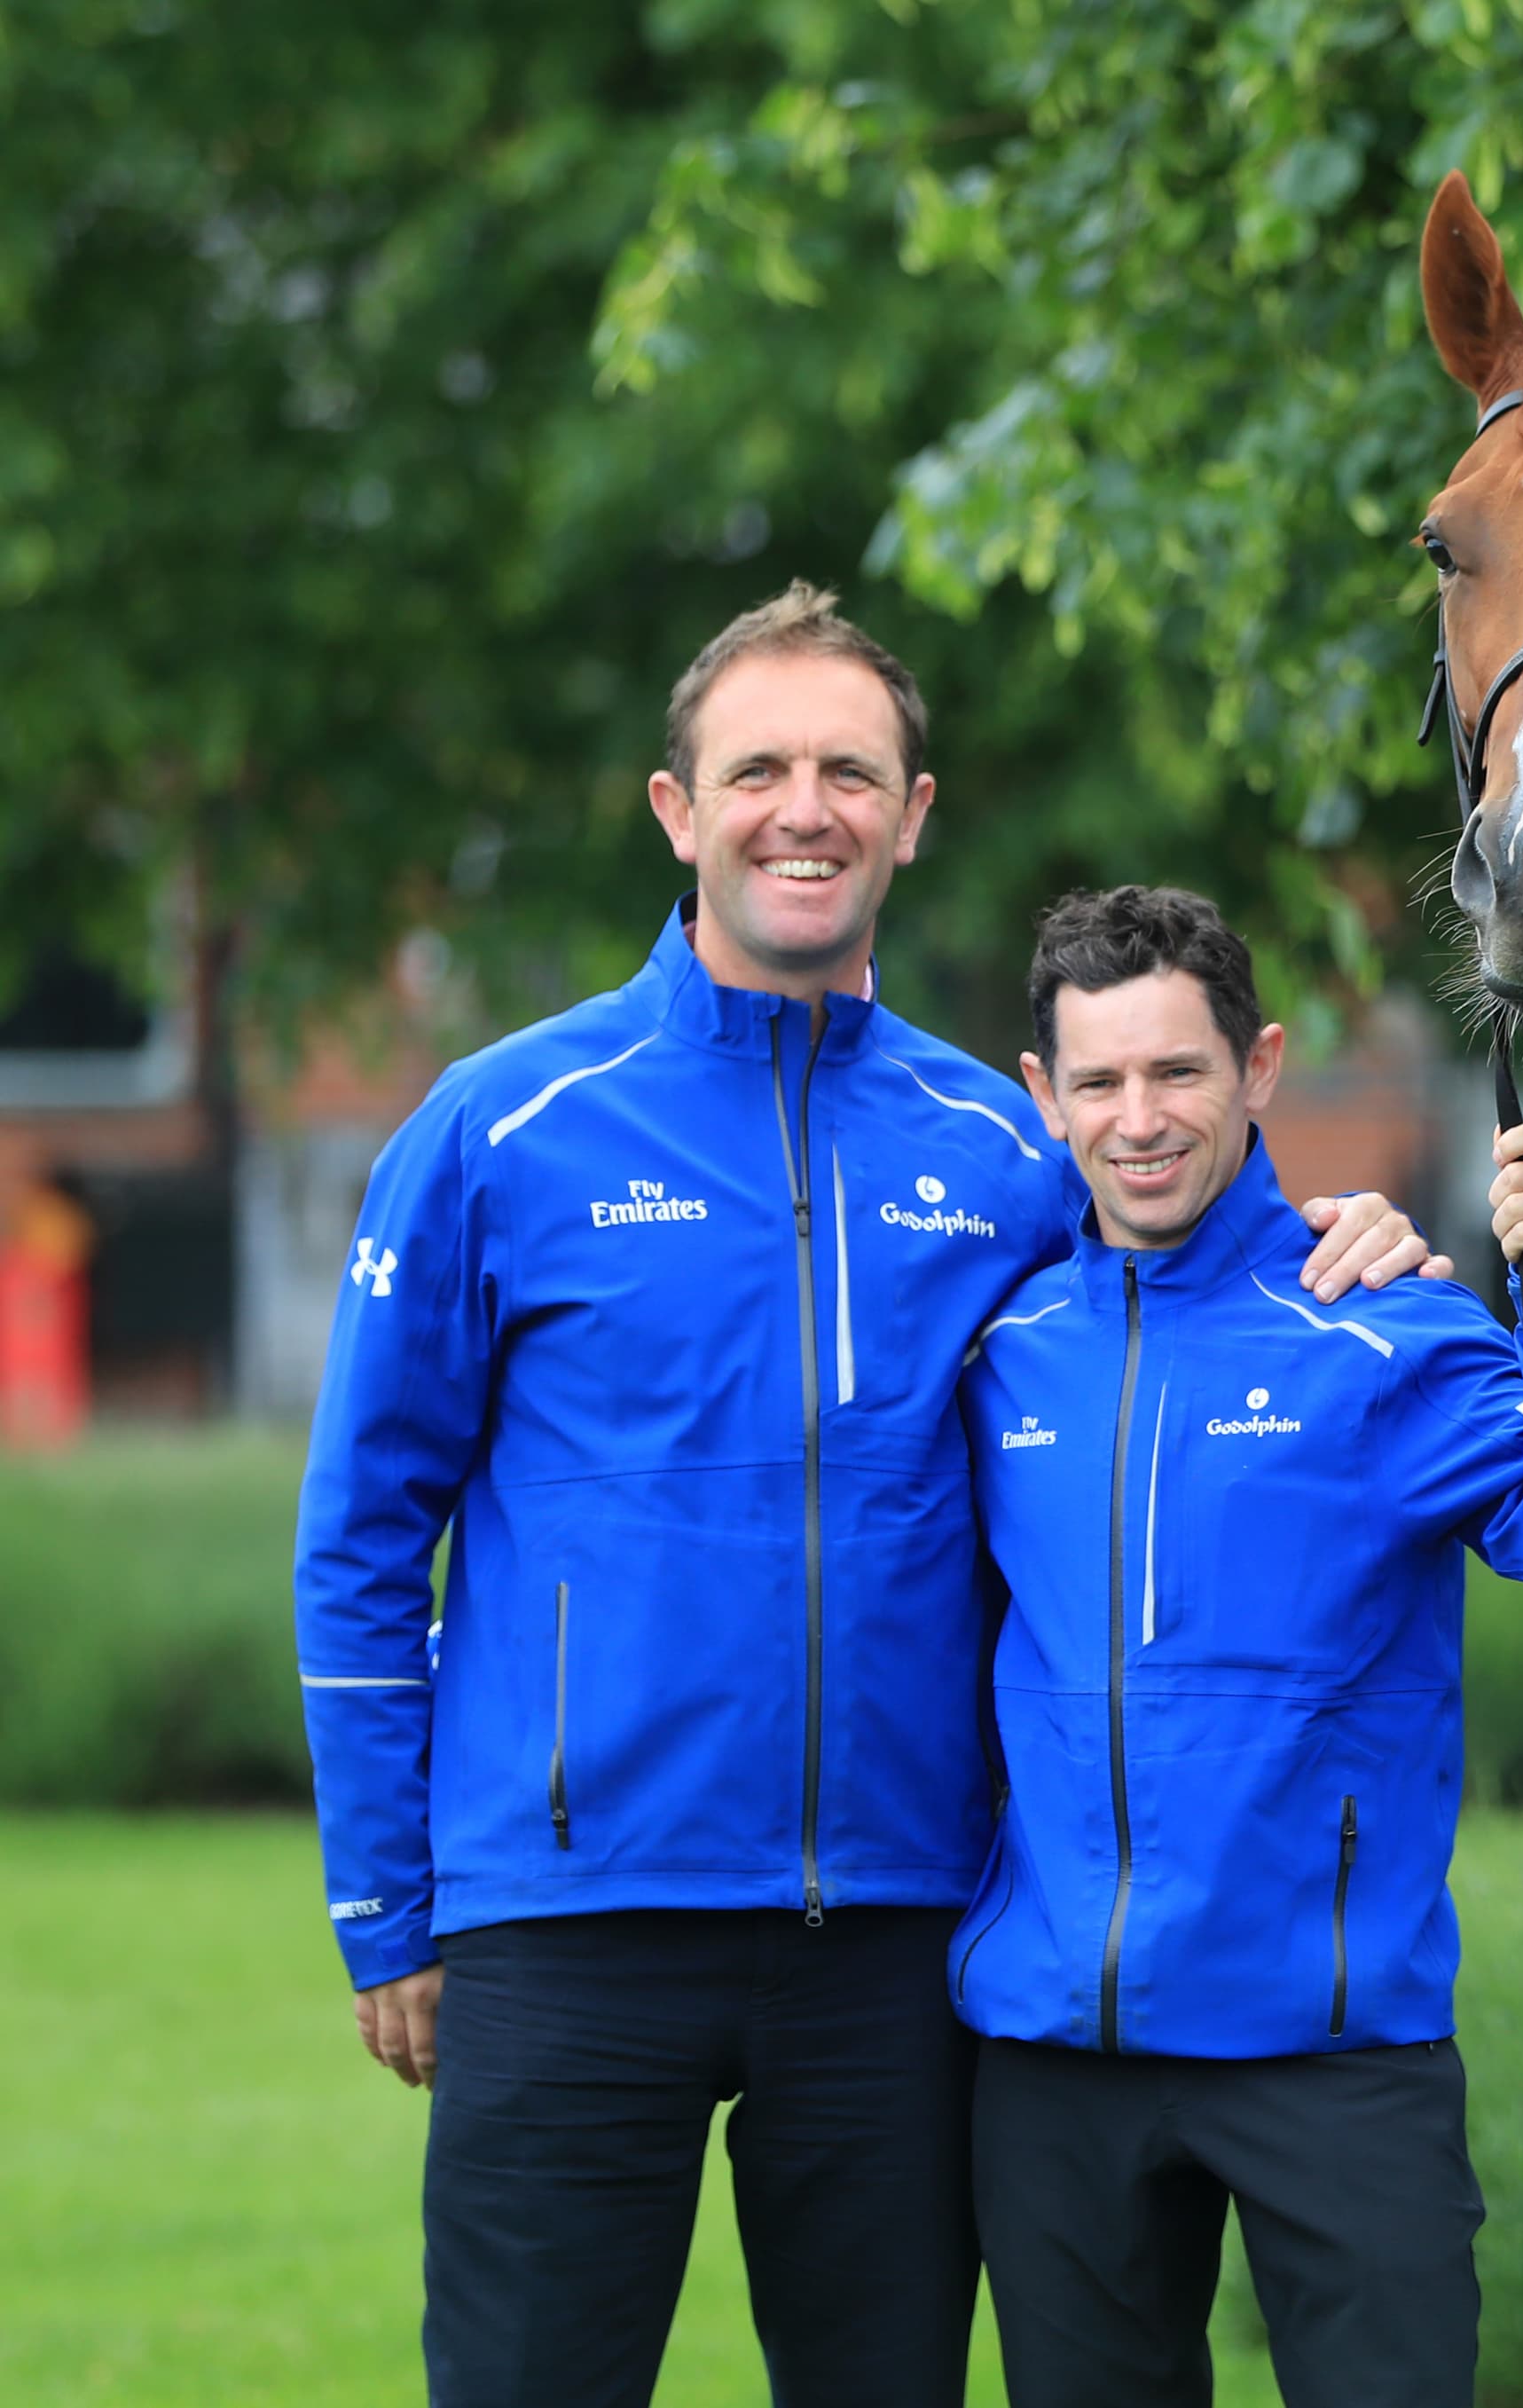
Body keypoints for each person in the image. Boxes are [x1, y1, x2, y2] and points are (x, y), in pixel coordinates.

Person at [292, 583, 1442, 2407]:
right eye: (757, 769)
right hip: (571, 1919)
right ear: (679, 810)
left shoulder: (1002, 1144)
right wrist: (387, 1903)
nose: (801, 808)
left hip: (904, 1942)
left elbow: (1180, 1263)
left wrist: (1337, 1225)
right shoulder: (503, 1128)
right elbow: (360, 1533)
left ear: (913, 815)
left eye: (851, 769)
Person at [947, 884, 1523, 2407]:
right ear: (1043, 1096)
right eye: (1097, 1081)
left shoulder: (1392, 1330)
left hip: (1333, 2050)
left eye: (1178, 1072)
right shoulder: (1001, 1352)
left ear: (1261, 1067)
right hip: (1056, 2057)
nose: (1137, 1118)